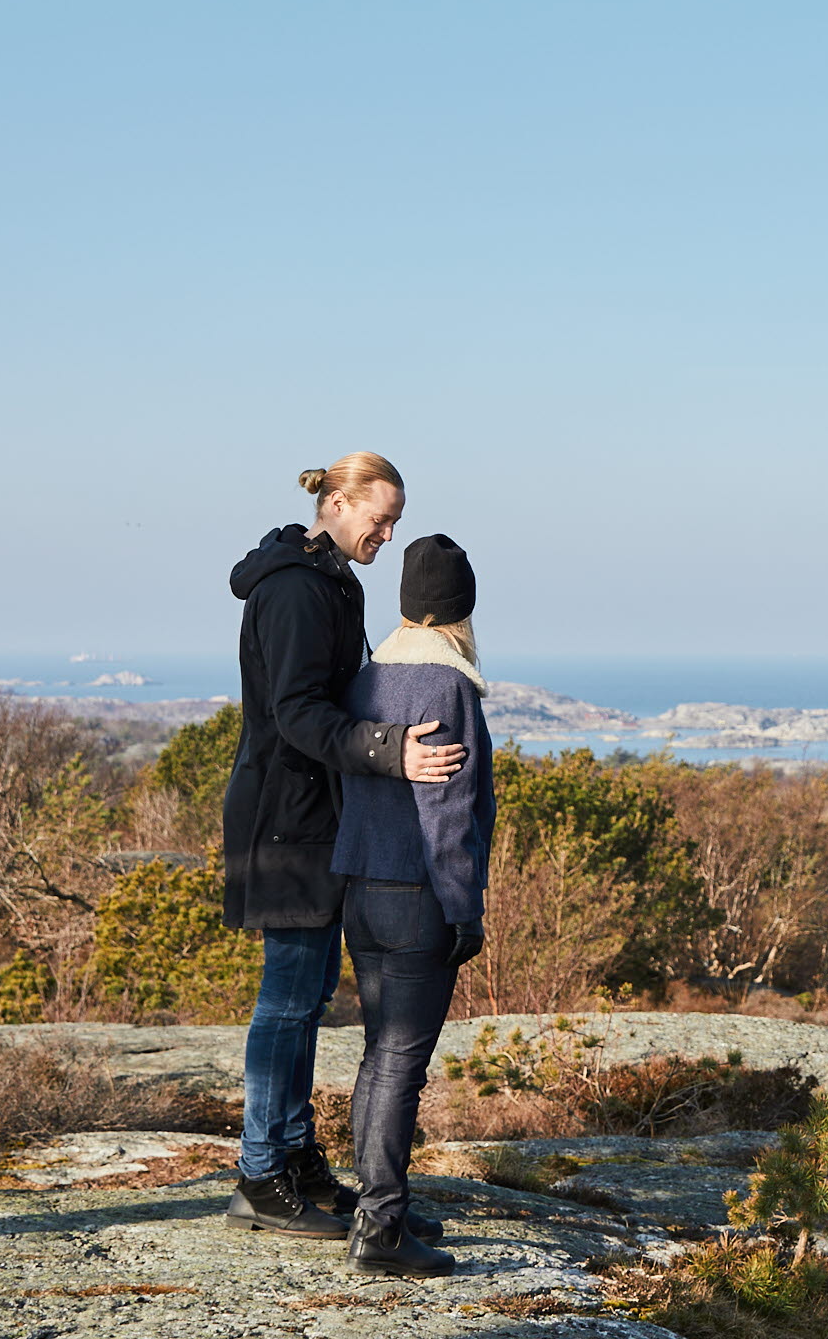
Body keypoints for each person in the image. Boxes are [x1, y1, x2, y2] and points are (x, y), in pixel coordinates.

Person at [220, 453, 466, 1241]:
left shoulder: (331, 580)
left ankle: (290, 1156)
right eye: (378, 518)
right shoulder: (295, 589)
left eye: (394, 523)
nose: (386, 535)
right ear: (335, 500)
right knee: (289, 998)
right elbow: (296, 713)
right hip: (287, 820)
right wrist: (392, 753)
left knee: (310, 993)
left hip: (317, 816)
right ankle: (260, 1174)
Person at [332, 532, 496, 1276]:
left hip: (359, 890)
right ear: (463, 606)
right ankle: (383, 1229)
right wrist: (466, 910)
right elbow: (450, 813)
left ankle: (377, 1207)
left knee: (378, 1057)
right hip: (418, 896)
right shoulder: (448, 684)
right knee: (401, 1063)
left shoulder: (368, 678)